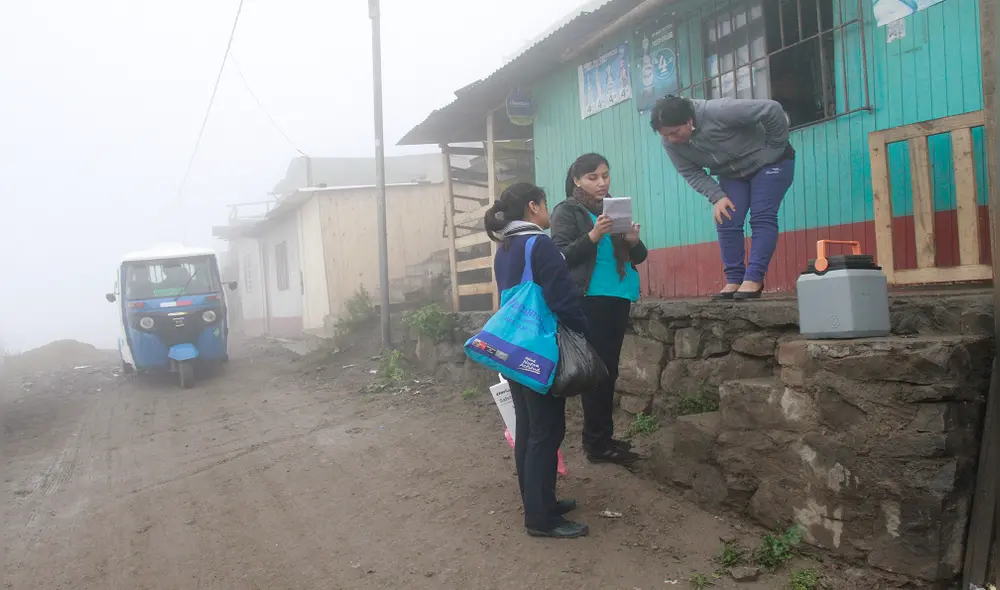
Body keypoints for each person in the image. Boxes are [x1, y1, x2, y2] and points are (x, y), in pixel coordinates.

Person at [484, 182, 591, 539]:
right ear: (533, 206)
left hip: (514, 350)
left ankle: (538, 501)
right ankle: (541, 519)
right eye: (544, 204)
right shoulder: (539, 244)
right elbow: (561, 297)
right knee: (547, 431)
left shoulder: (506, 247)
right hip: (541, 349)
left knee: (530, 429)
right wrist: (581, 332)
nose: (547, 210)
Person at [551, 153, 647, 466]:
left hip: (618, 295)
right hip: (589, 298)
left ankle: (602, 439)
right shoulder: (568, 210)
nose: (601, 182)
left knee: (609, 370)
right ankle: (596, 443)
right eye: (593, 177)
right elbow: (561, 255)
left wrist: (632, 240)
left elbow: (639, 256)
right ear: (577, 180)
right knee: (598, 372)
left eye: (605, 175)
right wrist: (594, 235)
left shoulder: (612, 210)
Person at [650, 95, 795, 301]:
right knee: (726, 216)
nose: (672, 138)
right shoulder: (670, 143)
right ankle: (735, 279)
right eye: (666, 135)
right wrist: (716, 196)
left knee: (762, 216)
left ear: (689, 120)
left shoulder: (718, 111)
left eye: (675, 132)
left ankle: (754, 278)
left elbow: (772, 109)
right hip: (733, 173)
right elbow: (691, 172)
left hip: (772, 163)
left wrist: (774, 147)